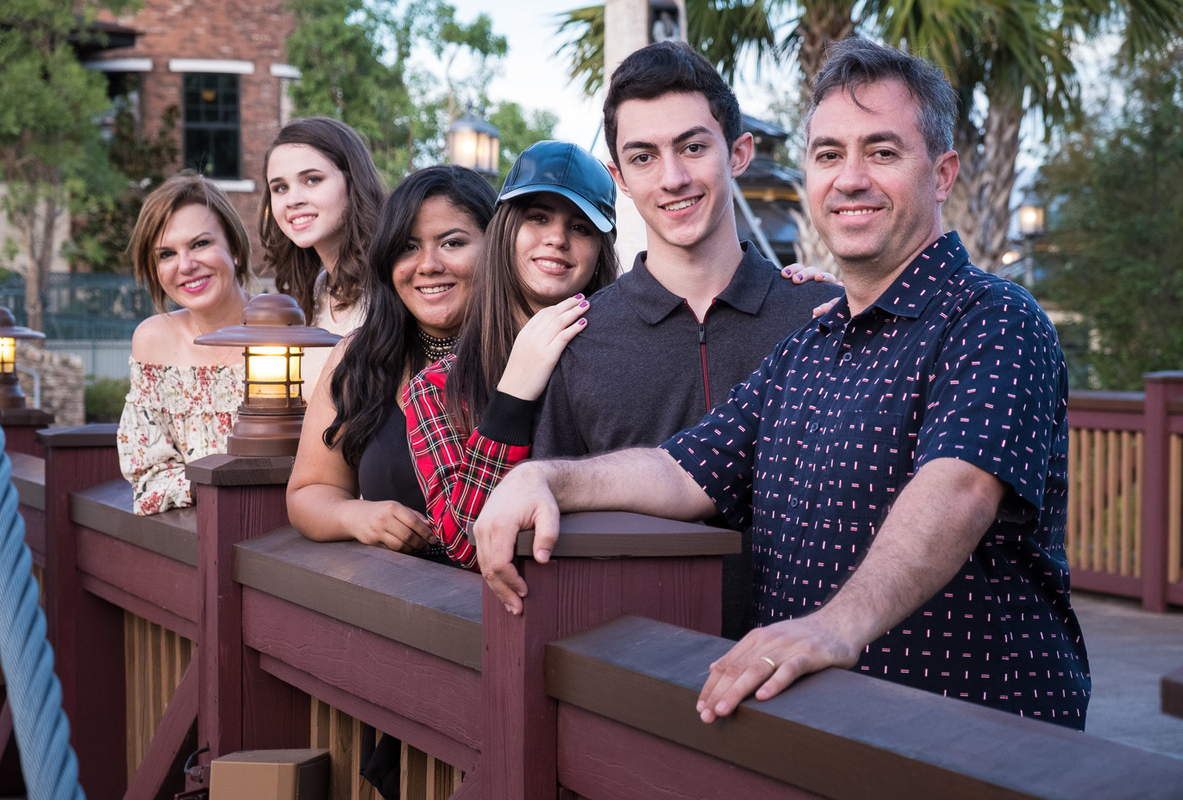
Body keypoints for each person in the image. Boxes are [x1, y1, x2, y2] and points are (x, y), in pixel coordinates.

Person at [474, 37, 1091, 730]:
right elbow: (684, 470)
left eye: (882, 152)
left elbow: (960, 489)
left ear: (942, 173)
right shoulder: (810, 347)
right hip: (812, 732)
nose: (850, 178)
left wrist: (836, 626)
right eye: (829, 155)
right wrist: (548, 481)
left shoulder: (993, 318)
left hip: (968, 736)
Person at [531, 40, 842, 637]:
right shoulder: (579, 337)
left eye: (693, 147)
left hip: (813, 682)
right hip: (636, 674)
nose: (672, 178)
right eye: (643, 157)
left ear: (739, 151)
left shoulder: (822, 318)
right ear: (620, 178)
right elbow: (553, 535)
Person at [404, 141, 619, 569]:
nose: (557, 238)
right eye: (537, 217)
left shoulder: (626, 351)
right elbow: (463, 545)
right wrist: (513, 395)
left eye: (580, 227)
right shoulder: (436, 387)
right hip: (504, 614)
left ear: (599, 250)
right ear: (505, 231)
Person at [286, 165, 497, 554]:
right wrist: (357, 516)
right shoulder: (358, 359)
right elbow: (309, 492)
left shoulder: (528, 352)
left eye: (452, 243)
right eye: (408, 247)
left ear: (496, 246)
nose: (428, 264)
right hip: (393, 596)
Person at [118, 172, 253, 515]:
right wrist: (214, 489)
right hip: (194, 539)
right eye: (166, 254)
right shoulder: (153, 342)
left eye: (200, 244)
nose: (186, 265)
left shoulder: (289, 335)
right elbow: (148, 476)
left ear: (234, 248)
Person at [259, 116, 386, 387]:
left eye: (312, 180)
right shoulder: (313, 291)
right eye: (280, 188)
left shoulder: (389, 282)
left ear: (354, 182)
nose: (293, 200)